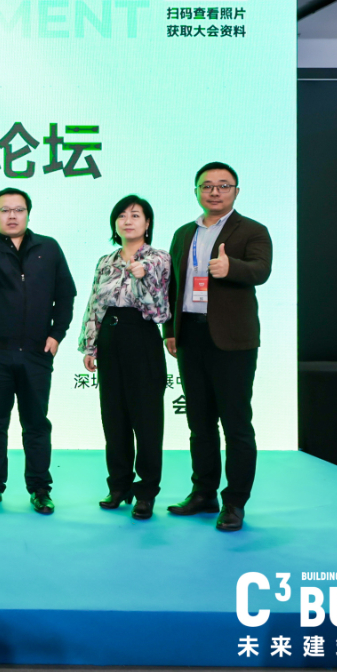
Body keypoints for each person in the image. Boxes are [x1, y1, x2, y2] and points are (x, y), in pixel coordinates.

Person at [163, 162, 271, 532]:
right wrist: (170, 329)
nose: (214, 192)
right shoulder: (183, 233)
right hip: (190, 336)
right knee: (199, 422)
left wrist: (232, 268)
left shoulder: (253, 230)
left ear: (236, 191)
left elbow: (261, 270)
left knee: (236, 423)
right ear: (196, 191)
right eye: (206, 185)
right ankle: (203, 493)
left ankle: (235, 502)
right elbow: (173, 284)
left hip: (232, 340)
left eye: (223, 185)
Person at [0, 187, 76, 514]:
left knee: (36, 423)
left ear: (28, 213)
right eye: (4, 210)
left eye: (18, 210)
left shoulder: (48, 248)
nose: (12, 216)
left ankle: (40, 489)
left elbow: (65, 294)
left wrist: (57, 334)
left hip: (36, 353)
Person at [79, 195, 172, 520]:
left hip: (141, 337)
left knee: (147, 421)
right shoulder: (105, 261)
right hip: (109, 338)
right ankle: (118, 485)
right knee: (114, 418)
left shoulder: (159, 259)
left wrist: (142, 275)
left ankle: (146, 492)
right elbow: (94, 304)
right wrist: (90, 345)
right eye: (121, 215)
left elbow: (161, 310)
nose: (127, 221)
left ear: (147, 223)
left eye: (135, 215)